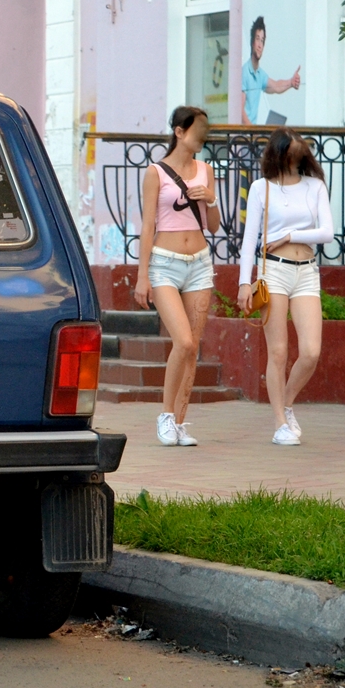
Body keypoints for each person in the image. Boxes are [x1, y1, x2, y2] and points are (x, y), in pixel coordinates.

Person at [237, 129, 334, 445]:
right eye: (290, 149)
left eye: (299, 148)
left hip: (306, 271)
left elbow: (327, 232)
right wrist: (243, 282)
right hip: (273, 271)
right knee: (278, 351)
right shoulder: (261, 188)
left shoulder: (315, 186)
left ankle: (287, 402)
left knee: (311, 351)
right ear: (278, 153)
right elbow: (249, 240)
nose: (296, 154)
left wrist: (290, 236)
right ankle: (280, 422)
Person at [134, 107, 221, 446]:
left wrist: (211, 199)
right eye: (197, 130)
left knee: (192, 347)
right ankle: (166, 415)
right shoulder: (155, 172)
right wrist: (142, 276)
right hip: (164, 265)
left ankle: (181, 423)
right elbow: (147, 226)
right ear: (180, 131)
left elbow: (213, 226)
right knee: (182, 341)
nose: (202, 137)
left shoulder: (206, 170)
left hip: (199, 264)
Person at [241, 16, 301, 125]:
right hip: (243, 134)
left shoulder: (259, 74)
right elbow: (240, 111)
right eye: (257, 39)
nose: (260, 45)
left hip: (252, 132)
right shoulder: (244, 73)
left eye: (262, 41)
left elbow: (276, 86)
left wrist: (291, 82)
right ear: (252, 42)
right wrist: (252, 132)